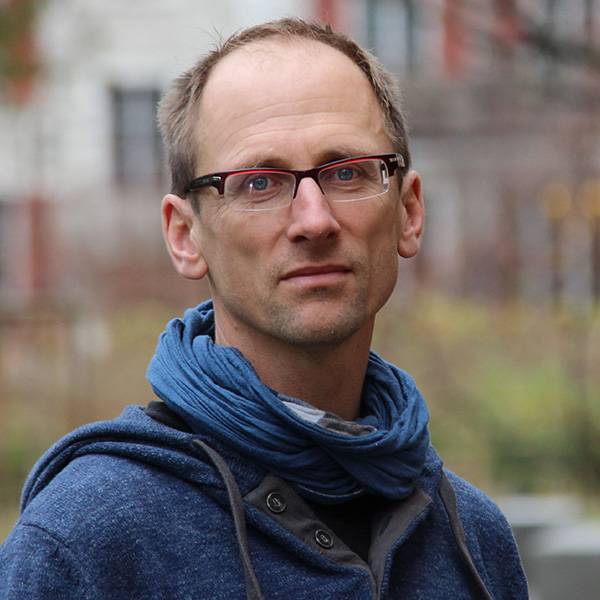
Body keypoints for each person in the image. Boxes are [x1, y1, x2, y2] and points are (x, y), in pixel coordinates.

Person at [0, 18, 528, 600]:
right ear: (185, 235)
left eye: (347, 172)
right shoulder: (87, 545)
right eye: (259, 183)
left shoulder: (473, 543)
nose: (314, 220)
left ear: (409, 211)